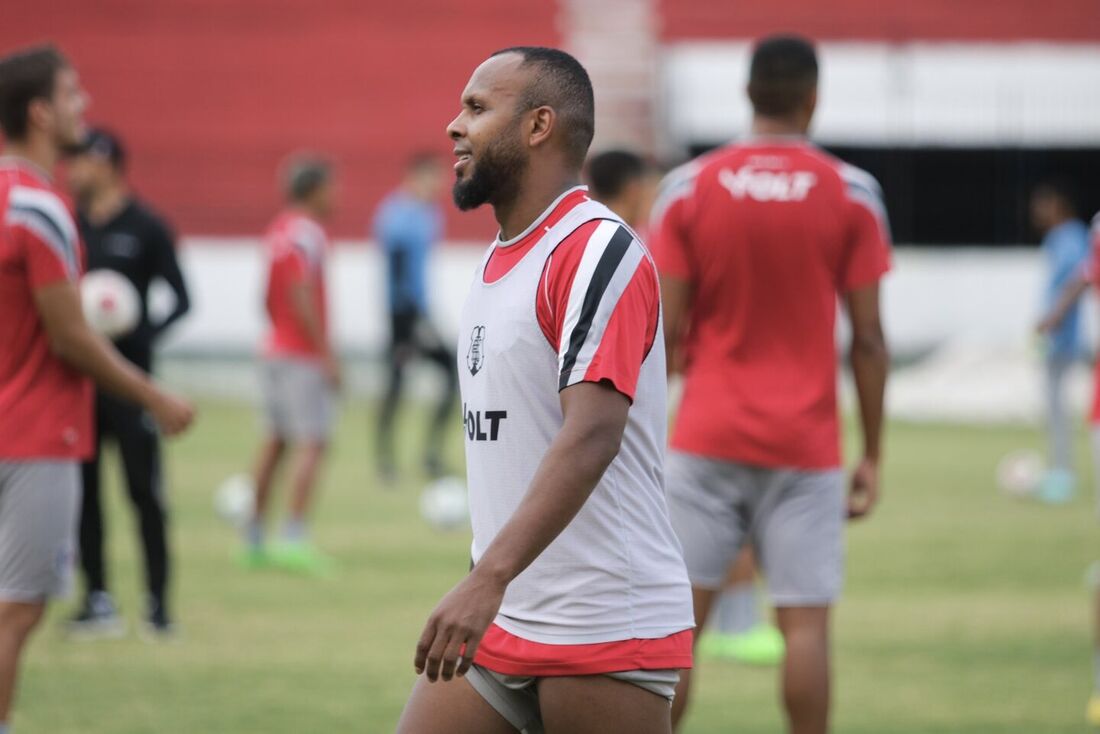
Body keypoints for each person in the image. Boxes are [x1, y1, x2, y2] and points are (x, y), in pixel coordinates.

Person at [396, 47, 694, 734]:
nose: (453, 126)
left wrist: (486, 579)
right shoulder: (502, 255)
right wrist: (490, 578)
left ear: (538, 126)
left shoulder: (595, 250)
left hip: (600, 614)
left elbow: (592, 432)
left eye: (476, 107)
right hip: (505, 612)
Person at [650, 35, 890, 734]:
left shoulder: (688, 188)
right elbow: (869, 340)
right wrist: (872, 453)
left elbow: (664, 334)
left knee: (676, 636)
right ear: (812, 97)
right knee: (807, 629)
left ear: (748, 94)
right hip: (806, 441)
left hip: (706, 435)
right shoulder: (852, 192)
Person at [0, 45, 193, 732]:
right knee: (18, 609)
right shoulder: (42, 207)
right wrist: (154, 395)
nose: (86, 107)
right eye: (74, 94)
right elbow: (70, 337)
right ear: (41, 111)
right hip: (35, 433)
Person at [64, 128, 191, 637]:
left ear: (109, 165)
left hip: (134, 383)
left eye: (84, 162)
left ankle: (158, 606)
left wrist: (141, 332)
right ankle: (96, 600)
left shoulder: (146, 226)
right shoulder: (69, 225)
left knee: (145, 493)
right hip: (79, 384)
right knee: (85, 495)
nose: (74, 171)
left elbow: (182, 298)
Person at [242, 157, 340, 574]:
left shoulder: (278, 230)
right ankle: (294, 538)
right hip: (300, 354)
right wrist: (324, 352)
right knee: (312, 441)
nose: (335, 196)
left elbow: (266, 295)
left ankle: (253, 538)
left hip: (274, 348)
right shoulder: (306, 234)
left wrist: (277, 332)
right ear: (314, 189)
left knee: (274, 441)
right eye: (330, 187)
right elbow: (301, 291)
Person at [372, 153, 457, 482]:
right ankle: (386, 462)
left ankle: (431, 455)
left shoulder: (430, 214)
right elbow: (396, 271)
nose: (437, 185)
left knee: (449, 373)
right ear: (413, 178)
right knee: (396, 383)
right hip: (403, 315)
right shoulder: (395, 214)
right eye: (430, 178)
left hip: (421, 311)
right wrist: (406, 324)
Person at [1029, 180, 1090, 504]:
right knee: (1053, 406)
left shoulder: (1073, 236)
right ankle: (1059, 469)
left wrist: (1055, 315)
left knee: (1060, 406)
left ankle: (1063, 474)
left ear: (1058, 204)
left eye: (1043, 205)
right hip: (1055, 337)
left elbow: (1081, 277)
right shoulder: (1055, 239)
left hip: (1067, 337)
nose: (1037, 213)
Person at [584, 148, 658, 233]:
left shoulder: (585, 234)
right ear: (633, 189)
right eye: (649, 188)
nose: (653, 197)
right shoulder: (641, 240)